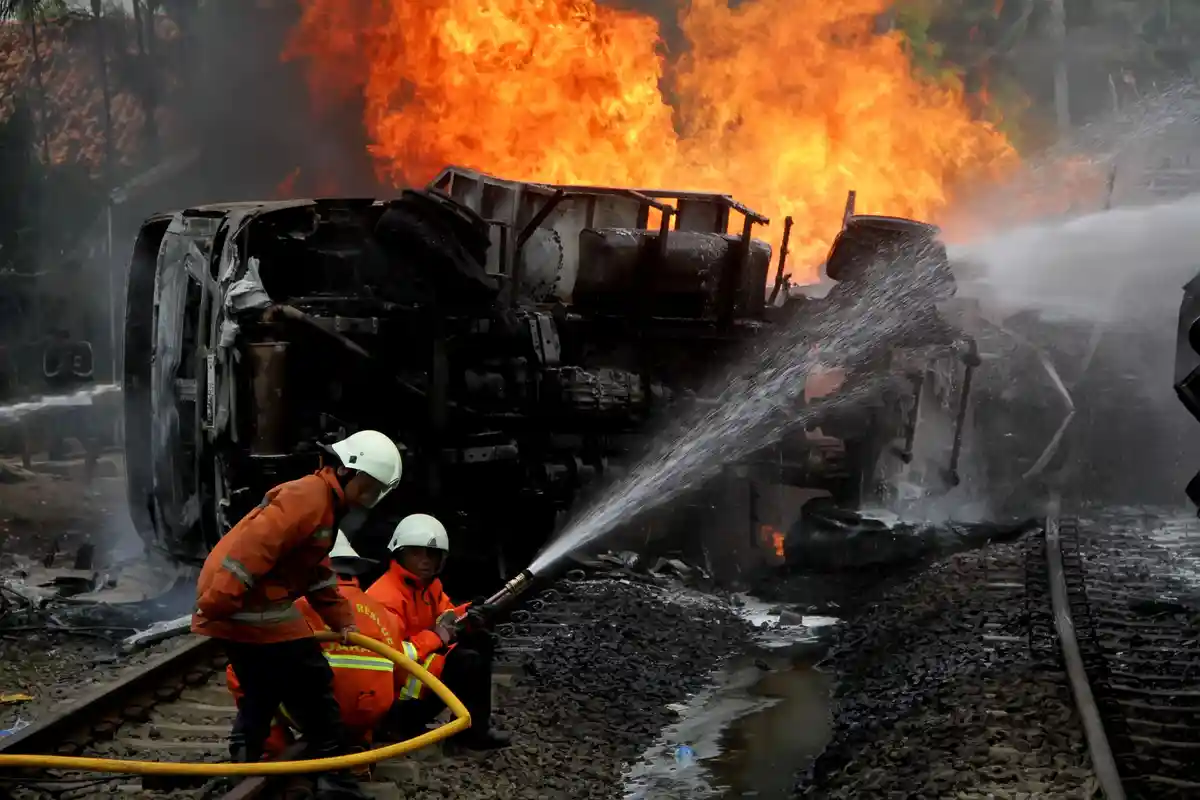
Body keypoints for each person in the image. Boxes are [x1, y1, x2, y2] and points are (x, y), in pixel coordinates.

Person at [192, 430, 402, 800]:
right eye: (367, 488)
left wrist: (341, 620)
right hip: (249, 605)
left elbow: (316, 572)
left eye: (375, 492)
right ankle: (335, 781)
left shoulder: (324, 504)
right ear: (347, 472)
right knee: (313, 682)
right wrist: (219, 600)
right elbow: (254, 545)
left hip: (253, 603)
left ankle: (244, 762)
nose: (368, 499)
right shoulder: (308, 497)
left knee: (261, 687)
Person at [224, 531, 403, 772]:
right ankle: (358, 741)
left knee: (243, 671)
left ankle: (274, 751)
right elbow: (399, 675)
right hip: (369, 714)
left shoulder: (297, 609)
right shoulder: (384, 613)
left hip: (322, 717)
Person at [367, 513, 510, 750]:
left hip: (415, 691)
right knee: (466, 661)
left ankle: (474, 730)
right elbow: (390, 656)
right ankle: (406, 728)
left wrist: (470, 611)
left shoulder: (429, 586)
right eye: (416, 552)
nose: (425, 560)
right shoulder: (385, 596)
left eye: (432, 554)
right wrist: (435, 637)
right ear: (399, 553)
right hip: (393, 705)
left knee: (480, 640)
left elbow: (447, 617)